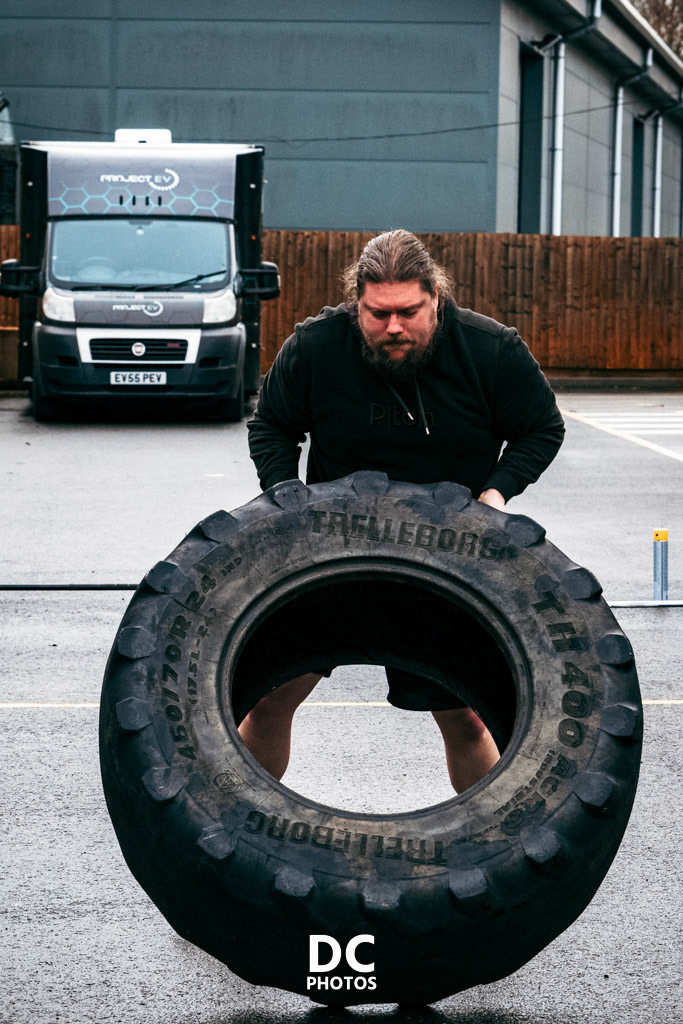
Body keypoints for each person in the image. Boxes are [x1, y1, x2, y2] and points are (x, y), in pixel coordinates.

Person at [243, 229, 565, 792]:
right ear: (357, 303)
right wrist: (283, 495)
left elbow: (542, 428)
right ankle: (231, 825)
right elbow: (272, 425)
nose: (393, 327)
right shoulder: (317, 346)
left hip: (444, 560)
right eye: (377, 313)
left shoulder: (490, 350)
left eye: (408, 312)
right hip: (332, 552)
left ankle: (486, 843)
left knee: (465, 716)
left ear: (435, 296)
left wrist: (496, 493)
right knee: (269, 700)